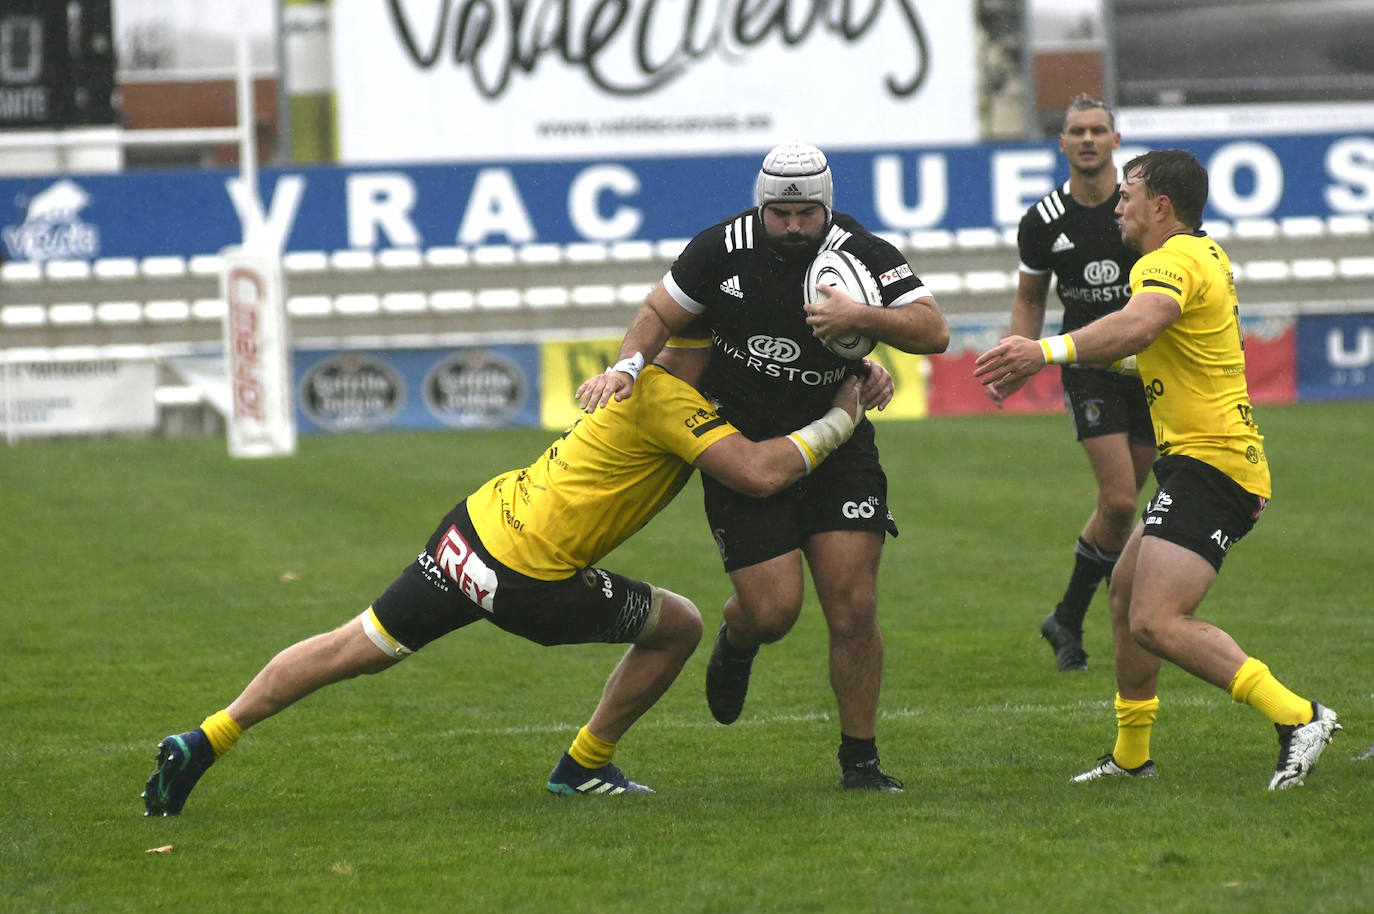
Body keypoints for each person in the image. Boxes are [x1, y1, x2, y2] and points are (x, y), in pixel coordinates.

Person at [141, 347, 893, 815]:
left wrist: (853, 364)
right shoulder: (672, 399)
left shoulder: (649, 379)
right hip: (531, 577)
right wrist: (841, 412)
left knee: (354, 644)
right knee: (684, 627)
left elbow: (766, 380)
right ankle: (584, 767)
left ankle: (206, 737)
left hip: (474, 526)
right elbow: (761, 471)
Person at [576, 141, 949, 792]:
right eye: (782, 213)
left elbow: (933, 330)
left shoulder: (860, 252)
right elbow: (659, 313)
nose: (795, 225)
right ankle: (739, 637)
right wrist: (627, 367)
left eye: (807, 213)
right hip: (742, 443)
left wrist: (861, 321)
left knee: (853, 605)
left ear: (827, 207)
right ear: (762, 205)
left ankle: (860, 761)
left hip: (837, 448)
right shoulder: (722, 247)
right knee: (773, 610)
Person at [974, 149, 1340, 790]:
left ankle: (1299, 716)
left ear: (1161, 206)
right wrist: (1085, 362)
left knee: (1156, 618)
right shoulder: (1204, 254)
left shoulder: (1168, 262)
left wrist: (1045, 350)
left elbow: (1141, 325)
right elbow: (1168, 351)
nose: (1118, 204)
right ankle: (1132, 757)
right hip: (1200, 462)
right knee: (1123, 594)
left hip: (1215, 465)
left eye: (1129, 194)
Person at [992, 94, 1156, 673]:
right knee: (1117, 499)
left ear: (1116, 140)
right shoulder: (1042, 220)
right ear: (1061, 144)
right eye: (1076, 131)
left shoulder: (1139, 213)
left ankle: (1065, 617)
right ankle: (1114, 613)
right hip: (1087, 369)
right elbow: (1030, 296)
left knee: (1117, 513)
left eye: (1097, 130)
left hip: (1150, 369)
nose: (1087, 139)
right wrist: (1016, 356)